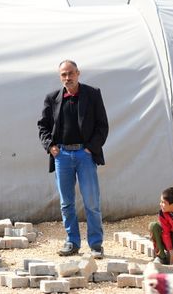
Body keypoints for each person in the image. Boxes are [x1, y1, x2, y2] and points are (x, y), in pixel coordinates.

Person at [37, 60, 109, 259]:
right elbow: (42, 126)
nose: (67, 78)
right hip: (62, 156)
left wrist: (90, 149)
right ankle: (72, 242)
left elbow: (102, 126)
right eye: (63, 75)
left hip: (84, 155)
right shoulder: (52, 98)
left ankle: (95, 244)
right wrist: (50, 147)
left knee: (91, 201)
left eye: (70, 74)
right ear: (60, 76)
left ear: (78, 73)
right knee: (66, 203)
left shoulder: (92, 94)